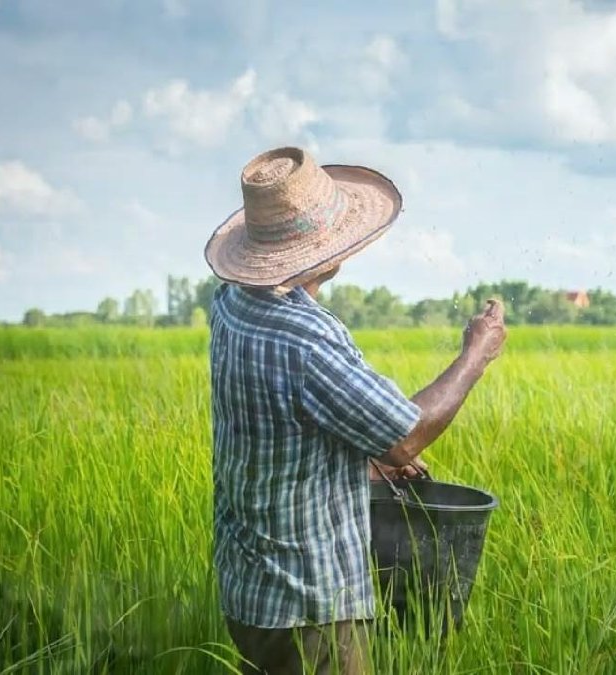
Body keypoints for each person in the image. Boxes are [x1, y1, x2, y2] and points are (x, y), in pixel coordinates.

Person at [202, 146, 507, 674]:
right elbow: (405, 437)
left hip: (250, 590)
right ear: (320, 248)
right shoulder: (306, 338)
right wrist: (475, 355)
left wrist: (364, 463)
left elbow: (276, 430)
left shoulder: (231, 303)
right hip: (310, 605)